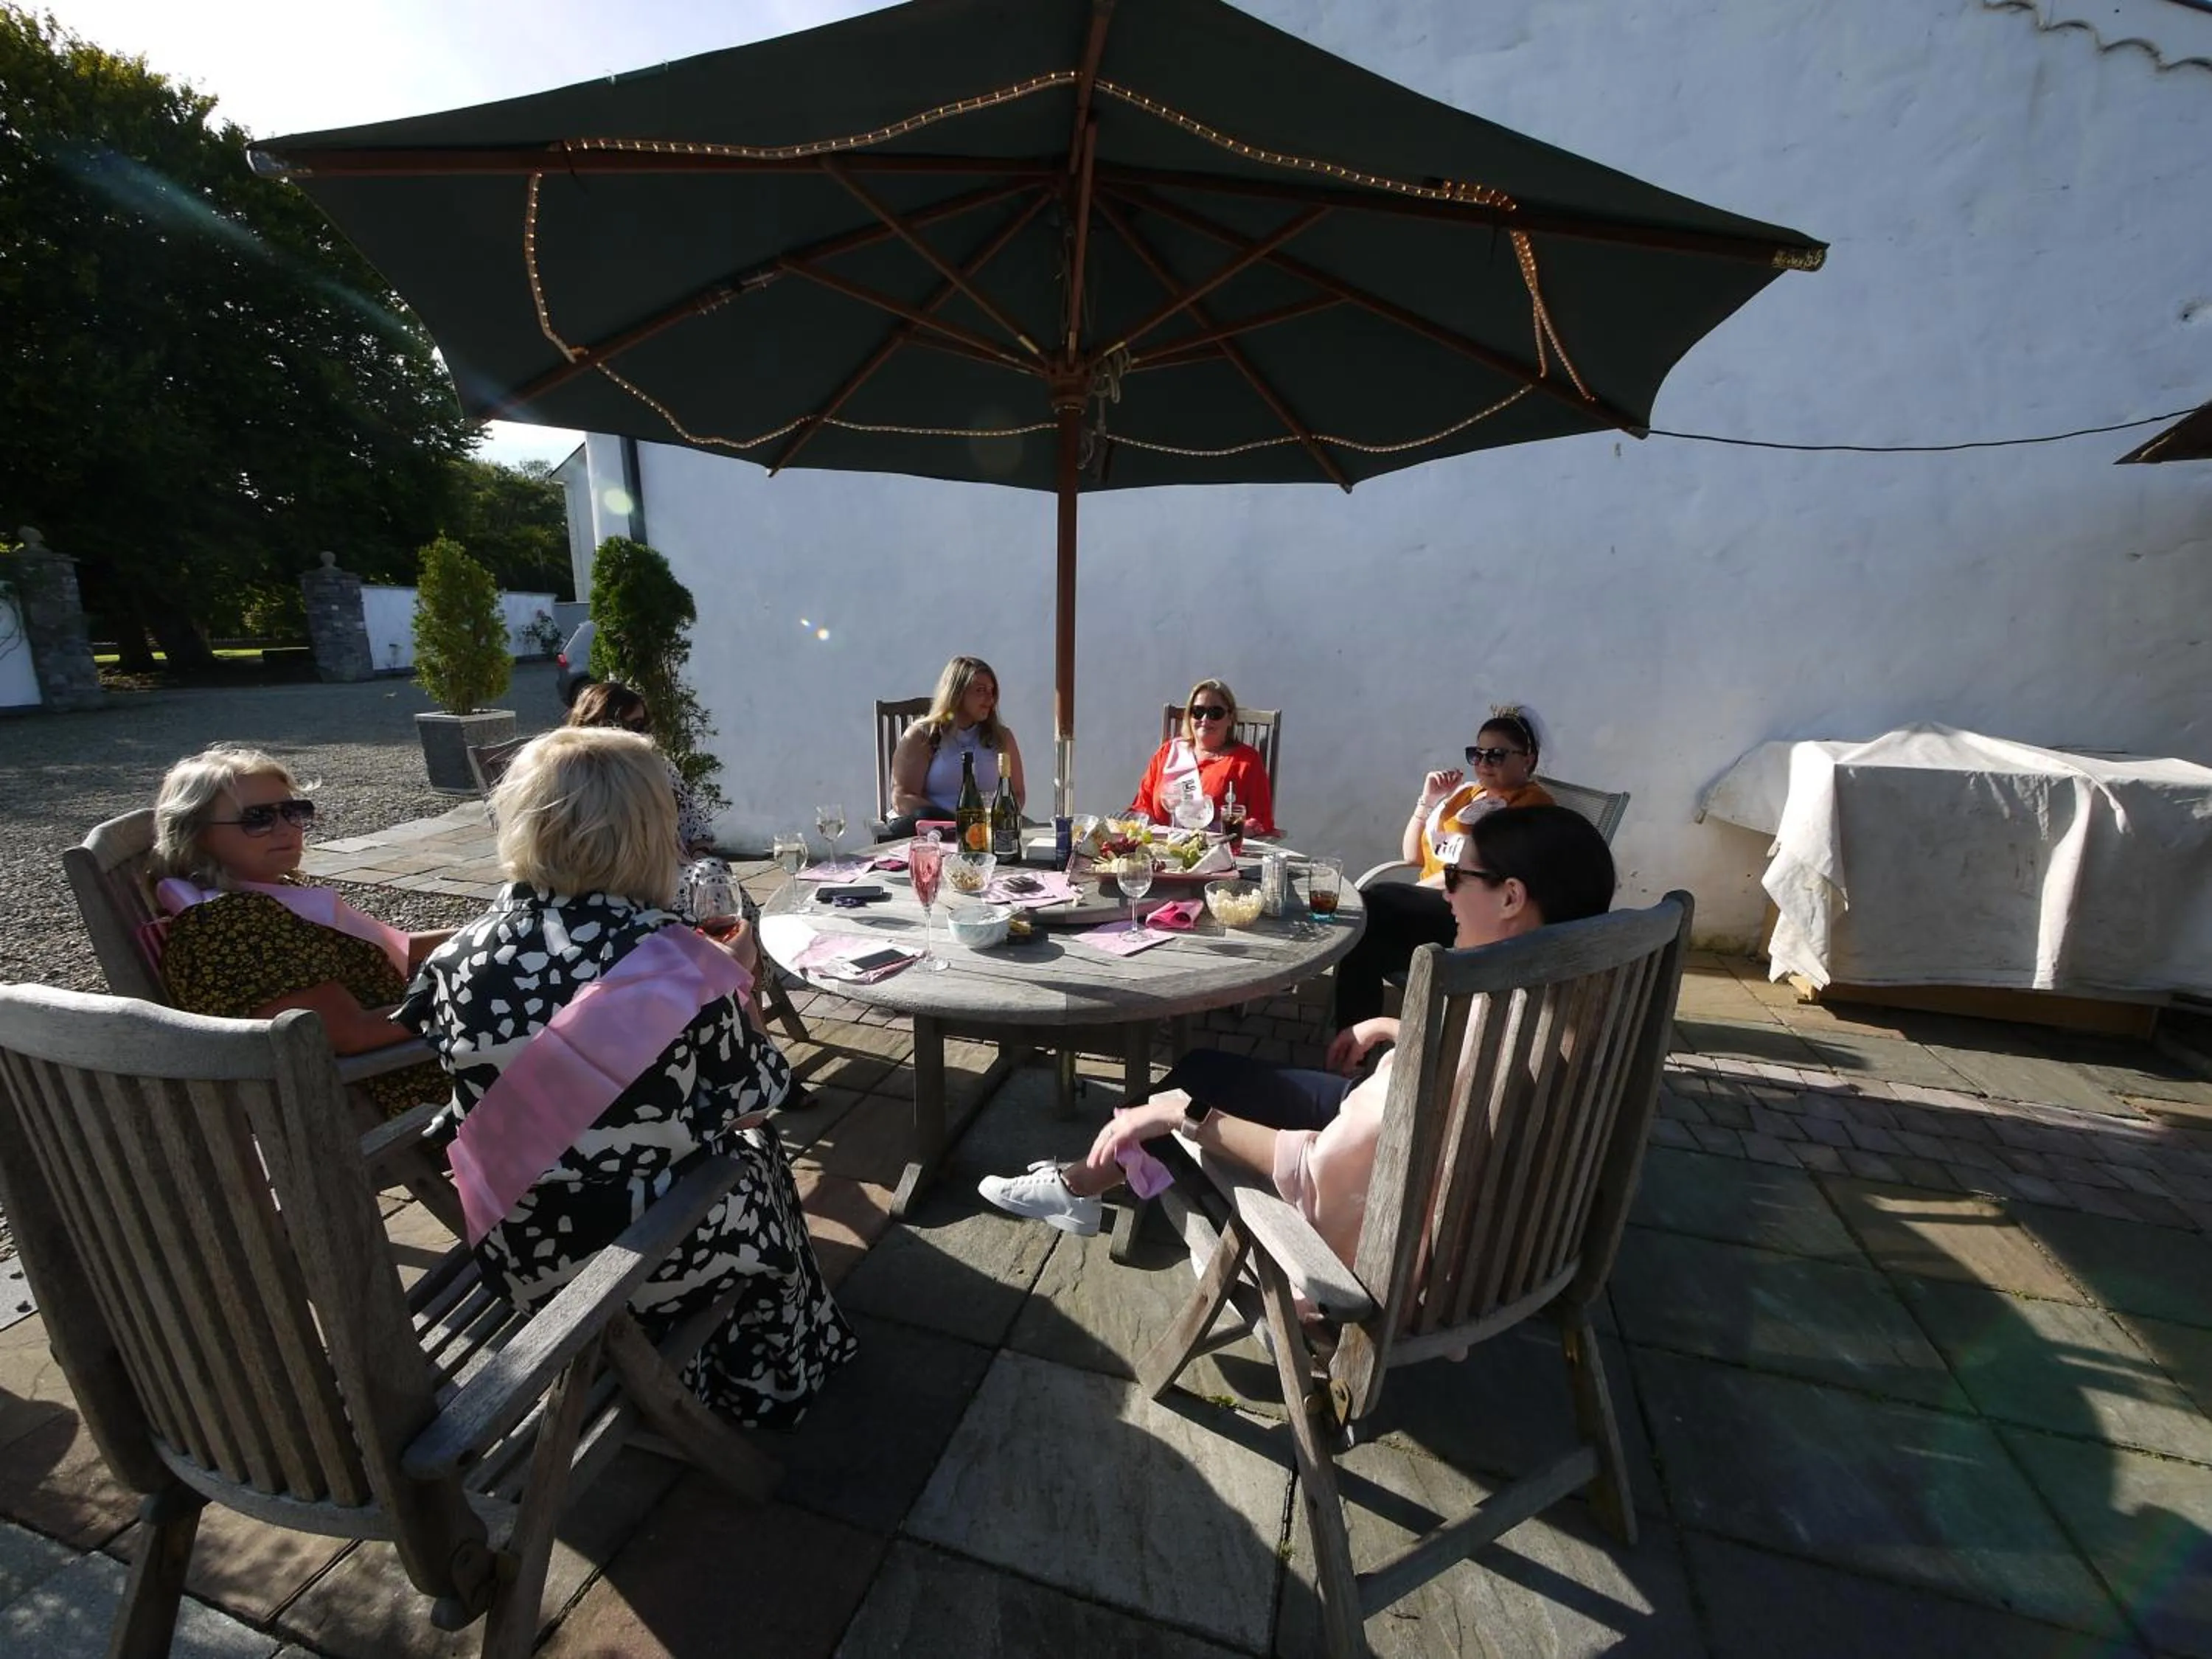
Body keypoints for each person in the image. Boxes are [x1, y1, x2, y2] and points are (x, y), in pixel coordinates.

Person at [398, 726, 858, 1429]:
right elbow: (756, 1103)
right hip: (641, 1259)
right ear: (649, 831)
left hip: (518, 1252)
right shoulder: (672, 959)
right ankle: (770, 1376)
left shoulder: (456, 956)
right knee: (756, 1157)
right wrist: (735, 982)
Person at [978, 804, 1615, 1266]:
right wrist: (1391, 1026)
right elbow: (1450, 1078)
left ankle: (1077, 1186)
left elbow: (1320, 1170)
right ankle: (1088, 1181)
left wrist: (1182, 1116)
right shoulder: (1556, 998)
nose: (1446, 896)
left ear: (1510, 898)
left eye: (1457, 878)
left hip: (1389, 1225)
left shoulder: (1479, 1025)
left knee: (1178, 1098)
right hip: (1441, 1165)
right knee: (1202, 1068)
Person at [148, 743, 451, 1118]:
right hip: (405, 1096)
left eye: (293, 811)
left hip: (406, 1065)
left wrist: (481, 934)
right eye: (257, 818)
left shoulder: (260, 897)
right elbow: (353, 1034)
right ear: (196, 834)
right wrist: (475, 995)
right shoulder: (234, 926)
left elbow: (387, 950)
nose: (286, 829)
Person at [1332, 703, 1555, 1032]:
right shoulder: (1467, 795)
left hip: (1472, 916)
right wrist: (1429, 799)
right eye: (1476, 754)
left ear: (1528, 759)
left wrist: (1407, 895)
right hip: (1426, 911)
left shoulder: (1531, 807)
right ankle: (1350, 1047)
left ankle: (1357, 1042)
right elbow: (1412, 855)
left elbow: (1483, 874)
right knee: (1363, 946)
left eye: (1496, 755)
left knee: (1374, 902)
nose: (1483, 764)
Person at [566, 681, 755, 970]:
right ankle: (732, 972)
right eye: (626, 726)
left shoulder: (657, 765)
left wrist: (698, 856)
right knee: (715, 886)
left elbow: (694, 823)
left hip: (674, 872)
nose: (638, 735)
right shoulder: (578, 776)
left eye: (642, 725)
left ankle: (739, 970)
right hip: (614, 884)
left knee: (713, 878)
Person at [887, 654, 1026, 838]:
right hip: (935, 834)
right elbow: (902, 798)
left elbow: (1017, 793)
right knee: (925, 817)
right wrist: (958, 823)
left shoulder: (1002, 737)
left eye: (992, 691)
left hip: (988, 833)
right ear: (957, 693)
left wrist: (997, 821)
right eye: (980, 690)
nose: (990, 699)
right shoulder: (923, 735)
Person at [1126, 678, 1278, 838]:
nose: (1205, 719)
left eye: (1215, 713)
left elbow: (1261, 820)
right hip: (1160, 848)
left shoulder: (1246, 761)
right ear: (1189, 717)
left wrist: (1226, 836)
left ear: (1230, 718)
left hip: (1215, 849)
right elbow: (1141, 808)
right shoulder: (1168, 753)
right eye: (1198, 712)